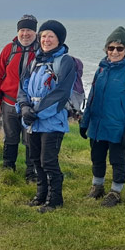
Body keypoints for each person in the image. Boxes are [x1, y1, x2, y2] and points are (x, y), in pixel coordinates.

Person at [80, 26, 125, 207]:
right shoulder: (101, 70)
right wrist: (85, 121)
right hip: (98, 125)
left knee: (117, 160)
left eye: (119, 48)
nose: (114, 52)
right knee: (97, 157)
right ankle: (97, 186)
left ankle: (116, 192)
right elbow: (91, 96)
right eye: (111, 48)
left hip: (119, 126)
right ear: (106, 49)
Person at [17, 20, 76, 213]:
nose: (46, 40)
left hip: (52, 122)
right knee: (35, 159)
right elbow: (22, 87)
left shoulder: (66, 61)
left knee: (48, 161)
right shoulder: (36, 60)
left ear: (59, 40)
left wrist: (35, 112)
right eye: (43, 36)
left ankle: (55, 199)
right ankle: (41, 194)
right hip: (33, 121)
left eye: (51, 36)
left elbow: (61, 93)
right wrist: (24, 107)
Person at [0, 14, 39, 182]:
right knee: (10, 137)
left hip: (31, 105)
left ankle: (31, 172)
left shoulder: (41, 50)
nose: (25, 34)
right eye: (22, 30)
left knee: (30, 139)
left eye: (29, 30)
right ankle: (8, 167)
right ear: (18, 31)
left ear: (35, 32)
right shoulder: (9, 49)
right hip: (8, 102)